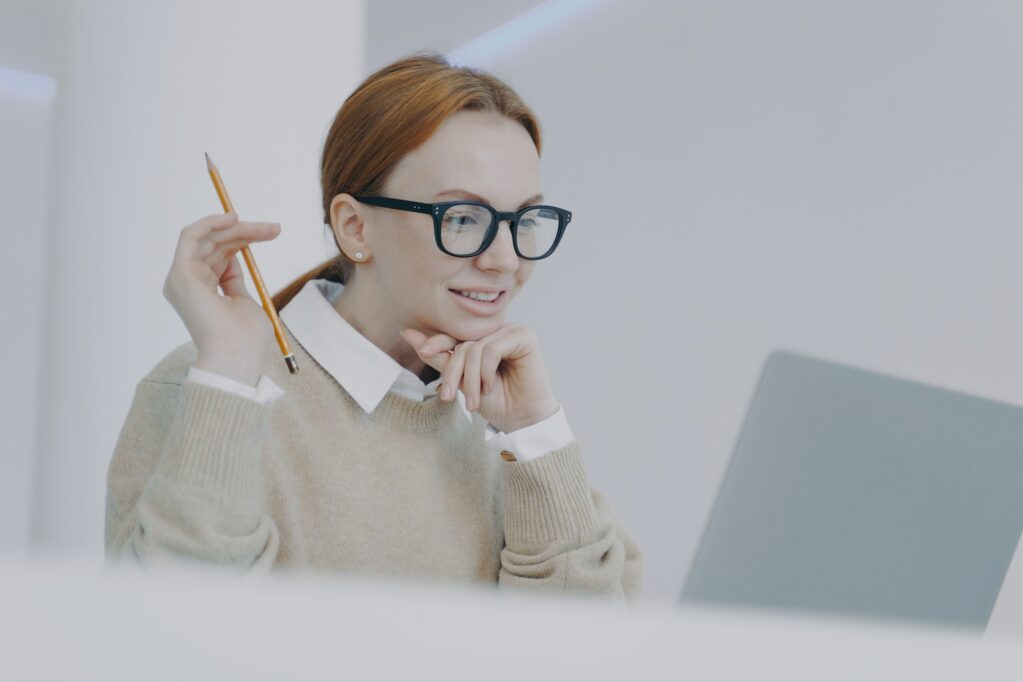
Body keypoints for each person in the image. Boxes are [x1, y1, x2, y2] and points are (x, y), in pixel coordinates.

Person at [105, 51, 643, 602]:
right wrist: (228, 375)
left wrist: (535, 434)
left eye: (524, 220)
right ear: (355, 226)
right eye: (462, 218)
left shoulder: (501, 420)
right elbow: (172, 631)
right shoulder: (211, 390)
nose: (506, 260)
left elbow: (588, 648)